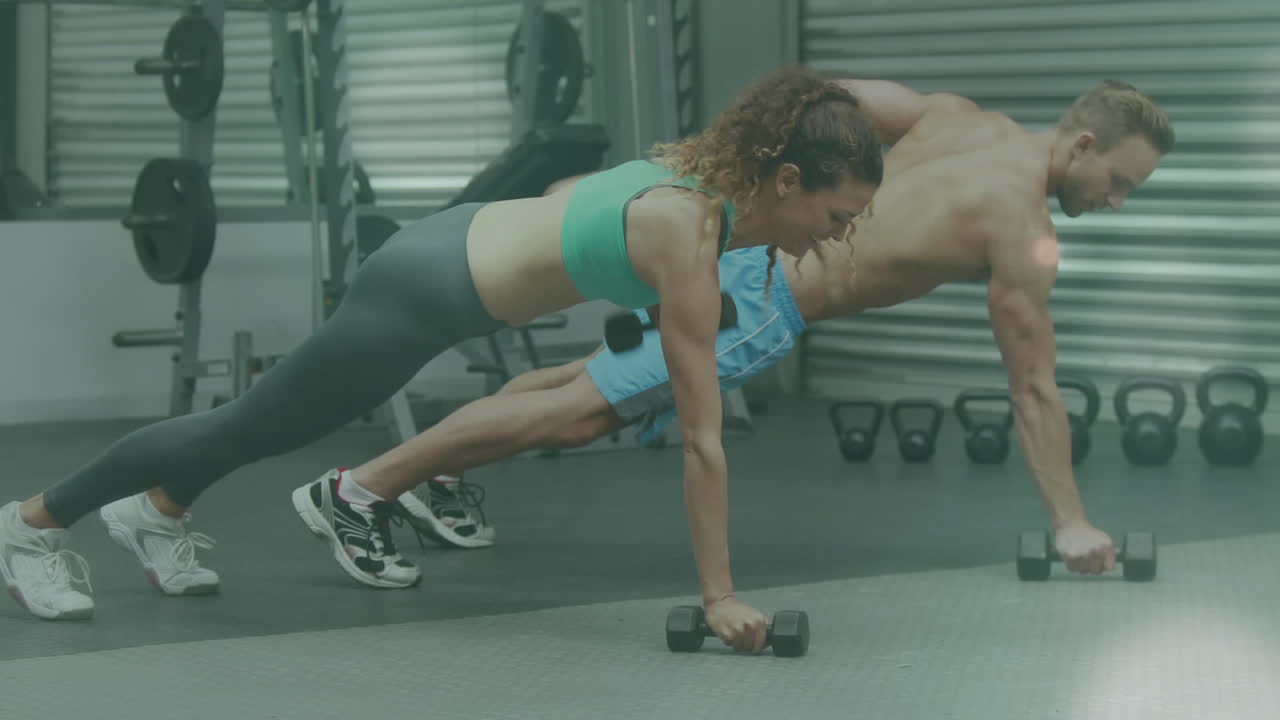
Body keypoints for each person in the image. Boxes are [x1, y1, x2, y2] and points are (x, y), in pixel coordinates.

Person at [297, 77, 1176, 654]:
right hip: (769, 296)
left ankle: (423, 475)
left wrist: (721, 170)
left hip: (739, 227)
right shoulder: (1025, 232)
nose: (1117, 203)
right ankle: (361, 489)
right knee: (589, 409)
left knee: (583, 384)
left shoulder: (958, 117)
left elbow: (812, 97)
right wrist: (1071, 523)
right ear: (1086, 146)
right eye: (1122, 183)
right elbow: (1032, 385)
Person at [0, 66, 883, 621]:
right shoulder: (687, 234)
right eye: (837, 217)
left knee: (261, 426)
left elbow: (582, 197)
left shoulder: (710, 175)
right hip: (421, 293)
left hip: (453, 251)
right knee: (248, 425)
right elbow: (701, 439)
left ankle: (154, 513)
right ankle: (31, 527)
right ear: (788, 177)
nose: (837, 238)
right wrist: (720, 597)